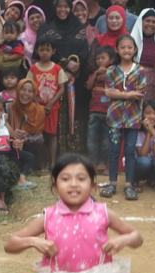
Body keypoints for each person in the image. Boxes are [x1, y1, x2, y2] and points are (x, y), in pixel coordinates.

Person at [4, 153, 143, 272]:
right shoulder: (49, 217)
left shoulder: (103, 213)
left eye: (81, 179)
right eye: (65, 179)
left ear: (93, 186)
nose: (74, 184)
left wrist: (125, 239)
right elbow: (10, 244)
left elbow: (137, 237)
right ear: (55, 187)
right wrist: (32, 241)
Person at [37, 0, 90, 155]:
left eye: (66, 6)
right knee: (55, 114)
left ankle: (75, 151)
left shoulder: (79, 28)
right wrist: (65, 66)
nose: (63, 9)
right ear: (55, 8)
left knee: (76, 113)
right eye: (59, 6)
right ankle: (56, 154)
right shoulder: (46, 28)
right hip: (52, 79)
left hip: (77, 80)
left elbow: (84, 51)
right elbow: (43, 51)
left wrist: (73, 68)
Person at [100, 35, 145, 201]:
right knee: (114, 150)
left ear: (134, 49)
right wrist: (127, 94)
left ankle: (129, 184)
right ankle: (112, 182)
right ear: (117, 50)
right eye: (123, 47)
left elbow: (139, 94)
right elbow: (107, 92)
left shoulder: (140, 70)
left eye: (130, 47)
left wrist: (119, 94)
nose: (127, 50)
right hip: (114, 118)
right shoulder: (112, 70)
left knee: (130, 151)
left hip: (133, 118)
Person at [27, 36, 68, 167]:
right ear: (37, 51)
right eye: (42, 49)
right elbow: (29, 86)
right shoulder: (33, 68)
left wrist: (50, 103)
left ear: (53, 51)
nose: (45, 52)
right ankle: (39, 163)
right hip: (36, 107)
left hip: (52, 107)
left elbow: (62, 88)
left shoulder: (57, 69)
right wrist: (38, 103)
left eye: (47, 49)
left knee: (52, 134)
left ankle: (52, 162)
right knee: (37, 135)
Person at [0, 94, 35, 191]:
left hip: (8, 150)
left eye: (1, 110)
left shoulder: (3, 120)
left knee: (29, 157)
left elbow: (12, 134)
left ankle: (22, 179)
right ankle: (6, 190)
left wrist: (5, 122)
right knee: (4, 169)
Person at [8, 79, 51, 171]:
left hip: (31, 146)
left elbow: (40, 137)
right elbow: (1, 130)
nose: (26, 93)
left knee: (37, 145)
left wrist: (25, 139)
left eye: (30, 91)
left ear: (34, 94)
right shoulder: (9, 108)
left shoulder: (39, 110)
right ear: (18, 90)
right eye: (23, 89)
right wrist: (12, 134)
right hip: (12, 145)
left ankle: (38, 171)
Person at [85, 45, 115, 172]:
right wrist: (96, 74)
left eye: (103, 58)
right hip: (94, 111)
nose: (100, 61)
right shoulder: (93, 74)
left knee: (105, 140)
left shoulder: (114, 72)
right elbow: (88, 87)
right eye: (98, 59)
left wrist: (107, 75)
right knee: (92, 138)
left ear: (111, 60)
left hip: (108, 112)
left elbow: (116, 86)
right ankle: (92, 161)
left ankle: (102, 162)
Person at [134, 100, 155, 191]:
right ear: (141, 114)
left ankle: (152, 179)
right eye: (148, 113)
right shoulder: (136, 131)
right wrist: (149, 134)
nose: (152, 116)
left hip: (151, 164)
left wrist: (154, 134)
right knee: (144, 161)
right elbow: (142, 154)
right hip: (137, 165)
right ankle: (134, 180)